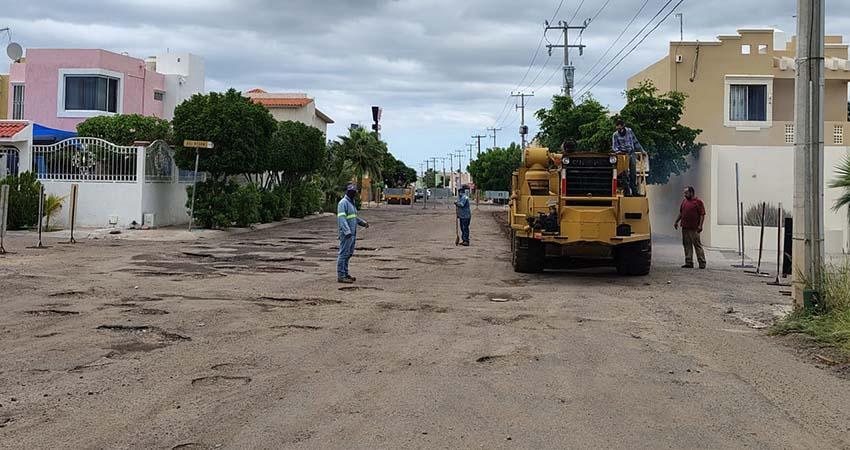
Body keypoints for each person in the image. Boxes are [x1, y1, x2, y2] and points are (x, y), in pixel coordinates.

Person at [337, 184, 369, 283]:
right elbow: (342, 219)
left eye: (354, 192)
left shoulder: (352, 203)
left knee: (348, 254)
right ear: (347, 192)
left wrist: (363, 223)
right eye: (351, 192)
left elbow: (353, 217)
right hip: (347, 234)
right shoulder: (343, 203)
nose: (353, 193)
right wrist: (347, 231)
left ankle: (345, 273)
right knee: (343, 254)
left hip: (352, 233)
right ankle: (341, 275)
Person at [674, 186, 706, 269]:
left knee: (697, 245)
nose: (685, 194)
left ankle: (702, 262)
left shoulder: (698, 202)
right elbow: (681, 213)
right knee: (686, 244)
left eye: (686, 192)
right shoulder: (684, 202)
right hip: (685, 227)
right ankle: (689, 262)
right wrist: (676, 221)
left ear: (691, 193)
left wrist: (700, 225)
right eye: (684, 193)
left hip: (694, 228)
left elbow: (702, 214)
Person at [611, 119, 645, 196]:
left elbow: (635, 141)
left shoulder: (629, 131)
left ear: (623, 127)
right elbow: (615, 147)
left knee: (633, 173)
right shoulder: (615, 135)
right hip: (623, 155)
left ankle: (635, 192)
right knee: (624, 174)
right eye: (618, 129)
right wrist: (619, 152)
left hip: (631, 153)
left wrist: (642, 151)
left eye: (620, 128)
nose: (619, 130)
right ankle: (627, 193)